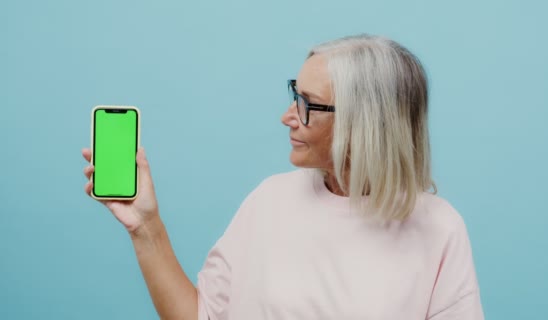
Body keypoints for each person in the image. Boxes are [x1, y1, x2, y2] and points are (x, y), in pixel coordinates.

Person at [82, 34, 484, 320]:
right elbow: (200, 316)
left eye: (307, 104)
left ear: (367, 123)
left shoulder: (438, 228)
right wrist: (145, 226)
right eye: (295, 95)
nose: (288, 116)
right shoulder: (268, 200)